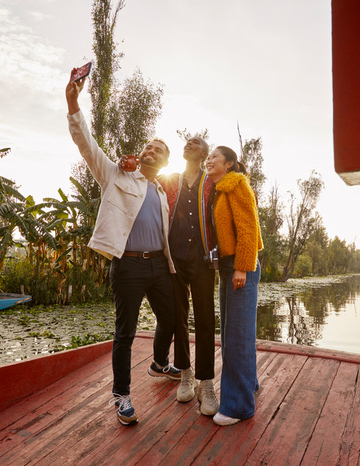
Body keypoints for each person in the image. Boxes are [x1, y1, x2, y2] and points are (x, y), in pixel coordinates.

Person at [65, 77, 180, 426]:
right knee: (125, 333)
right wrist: (73, 104)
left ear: (163, 163)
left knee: (172, 317)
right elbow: (86, 144)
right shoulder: (115, 175)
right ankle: (122, 395)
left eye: (159, 150)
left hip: (159, 266)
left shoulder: (161, 190)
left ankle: (159, 363)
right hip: (127, 267)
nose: (151, 151)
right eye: (149, 146)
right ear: (140, 152)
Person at [158, 137, 218, 415]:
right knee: (178, 317)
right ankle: (186, 374)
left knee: (205, 319)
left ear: (204, 154)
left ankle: (206, 383)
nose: (188, 144)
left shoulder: (212, 182)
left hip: (204, 260)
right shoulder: (170, 180)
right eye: (186, 142)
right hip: (176, 259)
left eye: (194, 143)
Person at [204, 145, 263, 426]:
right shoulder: (217, 191)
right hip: (228, 267)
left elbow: (249, 227)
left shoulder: (236, 184)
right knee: (233, 333)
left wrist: (242, 266)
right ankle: (248, 384)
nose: (209, 160)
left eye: (214, 156)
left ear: (228, 164)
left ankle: (238, 406)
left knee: (237, 335)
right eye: (208, 157)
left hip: (242, 266)